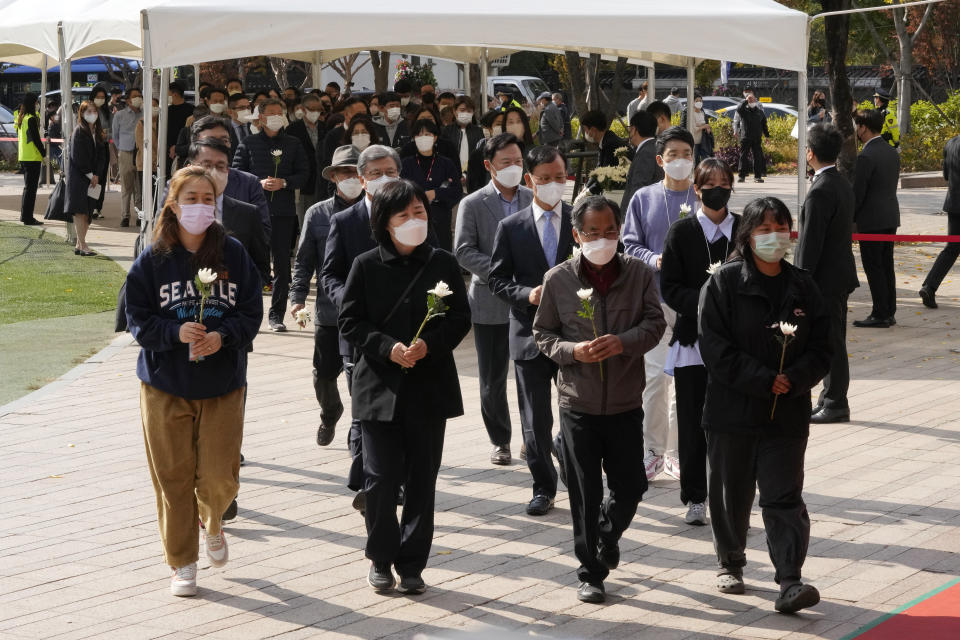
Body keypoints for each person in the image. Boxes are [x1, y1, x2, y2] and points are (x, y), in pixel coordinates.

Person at [125, 165, 263, 598]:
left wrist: (224, 336)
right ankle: (182, 562)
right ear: (173, 204)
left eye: (208, 199)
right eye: (191, 199)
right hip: (165, 384)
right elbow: (136, 319)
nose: (200, 206)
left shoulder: (233, 253)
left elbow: (251, 312)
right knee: (173, 478)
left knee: (220, 478)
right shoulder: (153, 258)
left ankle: (214, 520)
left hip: (222, 385)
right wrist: (173, 333)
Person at [698, 196, 830, 614]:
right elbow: (714, 348)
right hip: (732, 411)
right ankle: (731, 562)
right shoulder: (723, 283)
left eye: (780, 226)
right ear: (747, 235)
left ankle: (790, 579)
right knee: (730, 493)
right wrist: (761, 378)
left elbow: (825, 346)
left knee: (784, 495)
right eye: (763, 228)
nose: (773, 235)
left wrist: (795, 378)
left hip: (787, 412)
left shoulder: (804, 286)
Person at [338, 179, 470, 595]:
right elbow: (350, 322)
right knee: (379, 478)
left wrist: (428, 344)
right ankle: (380, 556)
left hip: (429, 388)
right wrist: (387, 348)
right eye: (403, 214)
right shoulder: (365, 265)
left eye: (419, 213)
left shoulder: (443, 264)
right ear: (384, 222)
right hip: (379, 386)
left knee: (421, 480)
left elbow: (459, 318)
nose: (414, 221)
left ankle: (412, 563)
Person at [534, 195, 666, 603]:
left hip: (626, 401)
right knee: (585, 492)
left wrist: (623, 343)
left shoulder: (639, 274)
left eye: (611, 232)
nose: (603, 240)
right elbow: (543, 335)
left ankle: (607, 535)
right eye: (593, 233)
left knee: (631, 485)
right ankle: (590, 571)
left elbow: (655, 324)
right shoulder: (558, 279)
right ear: (577, 235)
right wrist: (574, 351)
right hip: (579, 404)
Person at [489, 145, 574, 516]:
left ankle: (572, 461)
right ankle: (543, 485)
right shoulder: (511, 227)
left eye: (559, 178)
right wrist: (528, 294)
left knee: (576, 411)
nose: (553, 185)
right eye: (544, 179)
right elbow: (496, 278)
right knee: (535, 416)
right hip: (529, 333)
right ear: (530, 181)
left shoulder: (579, 221)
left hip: (575, 336)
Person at [322, 144, 404, 512]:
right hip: (358, 334)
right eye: (374, 174)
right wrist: (351, 304)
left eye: (390, 171)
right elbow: (330, 275)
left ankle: (379, 481)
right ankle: (371, 480)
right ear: (361, 179)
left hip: (403, 336)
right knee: (364, 409)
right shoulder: (344, 221)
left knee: (397, 412)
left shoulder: (414, 215)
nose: (383, 179)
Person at [660, 158, 739, 526]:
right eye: (710, 183)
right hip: (693, 341)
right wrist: (708, 304)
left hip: (737, 342)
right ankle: (694, 496)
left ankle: (732, 491)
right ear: (698, 189)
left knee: (733, 420)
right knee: (692, 422)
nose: (718, 189)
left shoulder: (743, 229)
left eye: (725, 182)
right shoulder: (682, 232)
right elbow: (670, 288)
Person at [623, 126, 698, 482]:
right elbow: (629, 244)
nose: (680, 161)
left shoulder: (703, 198)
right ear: (660, 160)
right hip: (652, 300)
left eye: (686, 154)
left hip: (692, 304)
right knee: (654, 378)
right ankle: (651, 450)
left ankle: (678, 452)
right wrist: (654, 260)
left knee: (685, 379)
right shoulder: (643, 198)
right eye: (673, 155)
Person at [455, 133, 532, 465]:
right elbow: (463, 251)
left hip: (530, 301)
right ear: (489, 166)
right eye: (506, 163)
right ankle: (500, 439)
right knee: (493, 378)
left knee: (532, 376)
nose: (514, 167)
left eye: (518, 161)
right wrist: (502, 274)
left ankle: (533, 438)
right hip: (489, 302)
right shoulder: (473, 204)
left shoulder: (534, 197)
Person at [290, 146, 363, 447]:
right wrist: (296, 297)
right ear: (334, 177)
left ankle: (359, 432)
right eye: (344, 172)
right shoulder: (317, 213)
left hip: (363, 311)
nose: (350, 178)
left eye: (355, 172)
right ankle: (330, 412)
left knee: (357, 376)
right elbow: (304, 259)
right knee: (323, 374)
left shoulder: (376, 211)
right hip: (328, 310)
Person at [796, 124, 858, 423]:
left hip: (825, 280)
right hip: (838, 275)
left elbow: (811, 242)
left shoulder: (820, 190)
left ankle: (835, 401)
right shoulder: (840, 182)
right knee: (834, 337)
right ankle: (829, 396)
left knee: (831, 340)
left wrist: (799, 278)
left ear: (810, 152)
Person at [232, 98, 309, 332]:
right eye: (272, 113)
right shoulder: (248, 143)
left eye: (280, 112)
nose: (277, 116)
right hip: (253, 214)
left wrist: (285, 182)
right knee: (251, 262)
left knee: (283, 265)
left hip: (283, 212)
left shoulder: (294, 143)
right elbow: (235, 174)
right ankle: (247, 312)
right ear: (261, 118)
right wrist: (258, 182)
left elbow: (305, 173)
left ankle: (277, 315)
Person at [187, 139, 270, 285]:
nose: (213, 172)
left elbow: (261, 268)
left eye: (220, 166)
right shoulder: (174, 212)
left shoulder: (247, 214)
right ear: (190, 168)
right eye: (206, 165)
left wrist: (243, 293)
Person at [852, 109, 901, 328]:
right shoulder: (892, 151)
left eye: (856, 125)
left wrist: (849, 218)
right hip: (890, 216)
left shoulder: (866, 156)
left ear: (863, 127)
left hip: (871, 220)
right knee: (886, 264)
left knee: (874, 266)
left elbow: (858, 192)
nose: (855, 130)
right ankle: (889, 310)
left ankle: (880, 313)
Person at [400, 119, 463, 252]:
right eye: (419, 135)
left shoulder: (446, 163)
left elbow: (457, 191)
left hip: (440, 219)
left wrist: (437, 193)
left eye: (427, 134)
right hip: (412, 219)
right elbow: (399, 190)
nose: (423, 138)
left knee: (441, 258)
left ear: (435, 137)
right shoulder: (405, 164)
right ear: (414, 138)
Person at [920, 135, 960, 309]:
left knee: (951, 248)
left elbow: (945, 175)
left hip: (954, 203)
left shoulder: (950, 143)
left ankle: (929, 286)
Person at [65, 100, 107, 256]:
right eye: (88, 111)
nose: (92, 114)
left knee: (88, 211)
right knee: (80, 212)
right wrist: (90, 174)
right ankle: (83, 244)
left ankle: (79, 244)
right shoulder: (79, 132)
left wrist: (97, 174)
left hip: (93, 178)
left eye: (94, 111)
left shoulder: (98, 132)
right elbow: (78, 157)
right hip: (79, 178)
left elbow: (102, 155)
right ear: (81, 114)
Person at [287, 93, 327, 228]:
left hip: (322, 180)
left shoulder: (324, 127)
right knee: (305, 220)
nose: (316, 112)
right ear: (303, 110)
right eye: (312, 109)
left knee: (322, 218)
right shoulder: (292, 129)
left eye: (318, 109)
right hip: (304, 183)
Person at [112, 87, 144, 227]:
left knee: (140, 186)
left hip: (141, 153)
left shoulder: (145, 114)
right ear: (128, 100)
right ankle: (125, 215)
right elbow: (115, 135)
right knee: (126, 186)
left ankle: (140, 214)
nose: (138, 98)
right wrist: (122, 148)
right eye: (135, 96)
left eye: (139, 96)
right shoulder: (119, 115)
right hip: (125, 153)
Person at [620, 110, 663, 212]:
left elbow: (638, 189)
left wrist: (628, 218)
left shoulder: (646, 153)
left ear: (634, 129)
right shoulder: (656, 147)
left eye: (630, 129)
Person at [15, 92, 45, 226]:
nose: (37, 104)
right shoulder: (31, 118)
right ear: (33, 103)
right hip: (33, 157)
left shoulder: (21, 117)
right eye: (36, 102)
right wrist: (44, 153)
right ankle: (28, 217)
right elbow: (36, 140)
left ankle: (24, 215)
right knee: (31, 190)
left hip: (24, 156)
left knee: (28, 188)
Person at [442, 96, 483, 175]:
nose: (466, 113)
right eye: (462, 110)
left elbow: (480, 156)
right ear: (454, 111)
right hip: (451, 175)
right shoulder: (447, 131)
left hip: (473, 176)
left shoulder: (478, 131)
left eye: (469, 111)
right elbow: (444, 156)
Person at [735, 88, 769, 183]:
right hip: (745, 137)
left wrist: (767, 136)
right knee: (743, 156)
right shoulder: (744, 111)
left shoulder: (760, 112)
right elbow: (738, 109)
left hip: (757, 138)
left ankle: (757, 176)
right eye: (750, 100)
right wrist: (745, 101)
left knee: (757, 157)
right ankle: (741, 176)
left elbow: (764, 125)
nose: (752, 101)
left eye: (753, 99)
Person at [166, 81, 194, 174]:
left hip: (184, 153)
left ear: (175, 94)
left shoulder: (191, 110)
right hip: (167, 153)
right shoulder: (166, 111)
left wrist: (177, 147)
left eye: (168, 93)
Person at [687, 92, 712, 164]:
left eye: (700, 101)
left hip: (703, 141)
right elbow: (693, 129)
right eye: (697, 101)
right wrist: (703, 126)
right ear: (693, 102)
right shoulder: (691, 114)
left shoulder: (702, 113)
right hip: (694, 142)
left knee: (705, 161)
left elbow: (705, 125)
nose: (699, 102)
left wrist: (707, 129)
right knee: (695, 162)